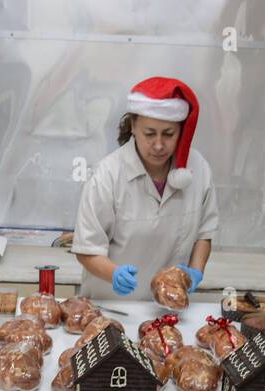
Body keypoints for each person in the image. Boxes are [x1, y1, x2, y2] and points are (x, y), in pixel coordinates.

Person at [72, 76, 218, 301]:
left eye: (169, 134)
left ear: (181, 130)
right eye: (150, 133)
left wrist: (196, 271)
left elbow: (204, 233)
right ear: (133, 127)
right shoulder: (107, 175)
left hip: (167, 310)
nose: (159, 145)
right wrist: (114, 274)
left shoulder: (197, 169)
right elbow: (86, 249)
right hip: (111, 307)